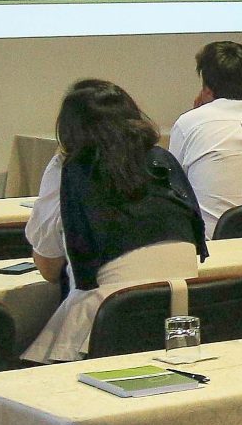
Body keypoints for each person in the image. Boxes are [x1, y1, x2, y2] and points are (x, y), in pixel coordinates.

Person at [25, 80, 207, 362]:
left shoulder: (69, 170)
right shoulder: (165, 162)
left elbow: (48, 268)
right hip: (185, 317)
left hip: (108, 323)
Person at [167, 40, 242, 238]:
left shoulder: (188, 123)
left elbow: (172, 191)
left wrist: (196, 114)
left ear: (207, 90)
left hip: (214, 247)